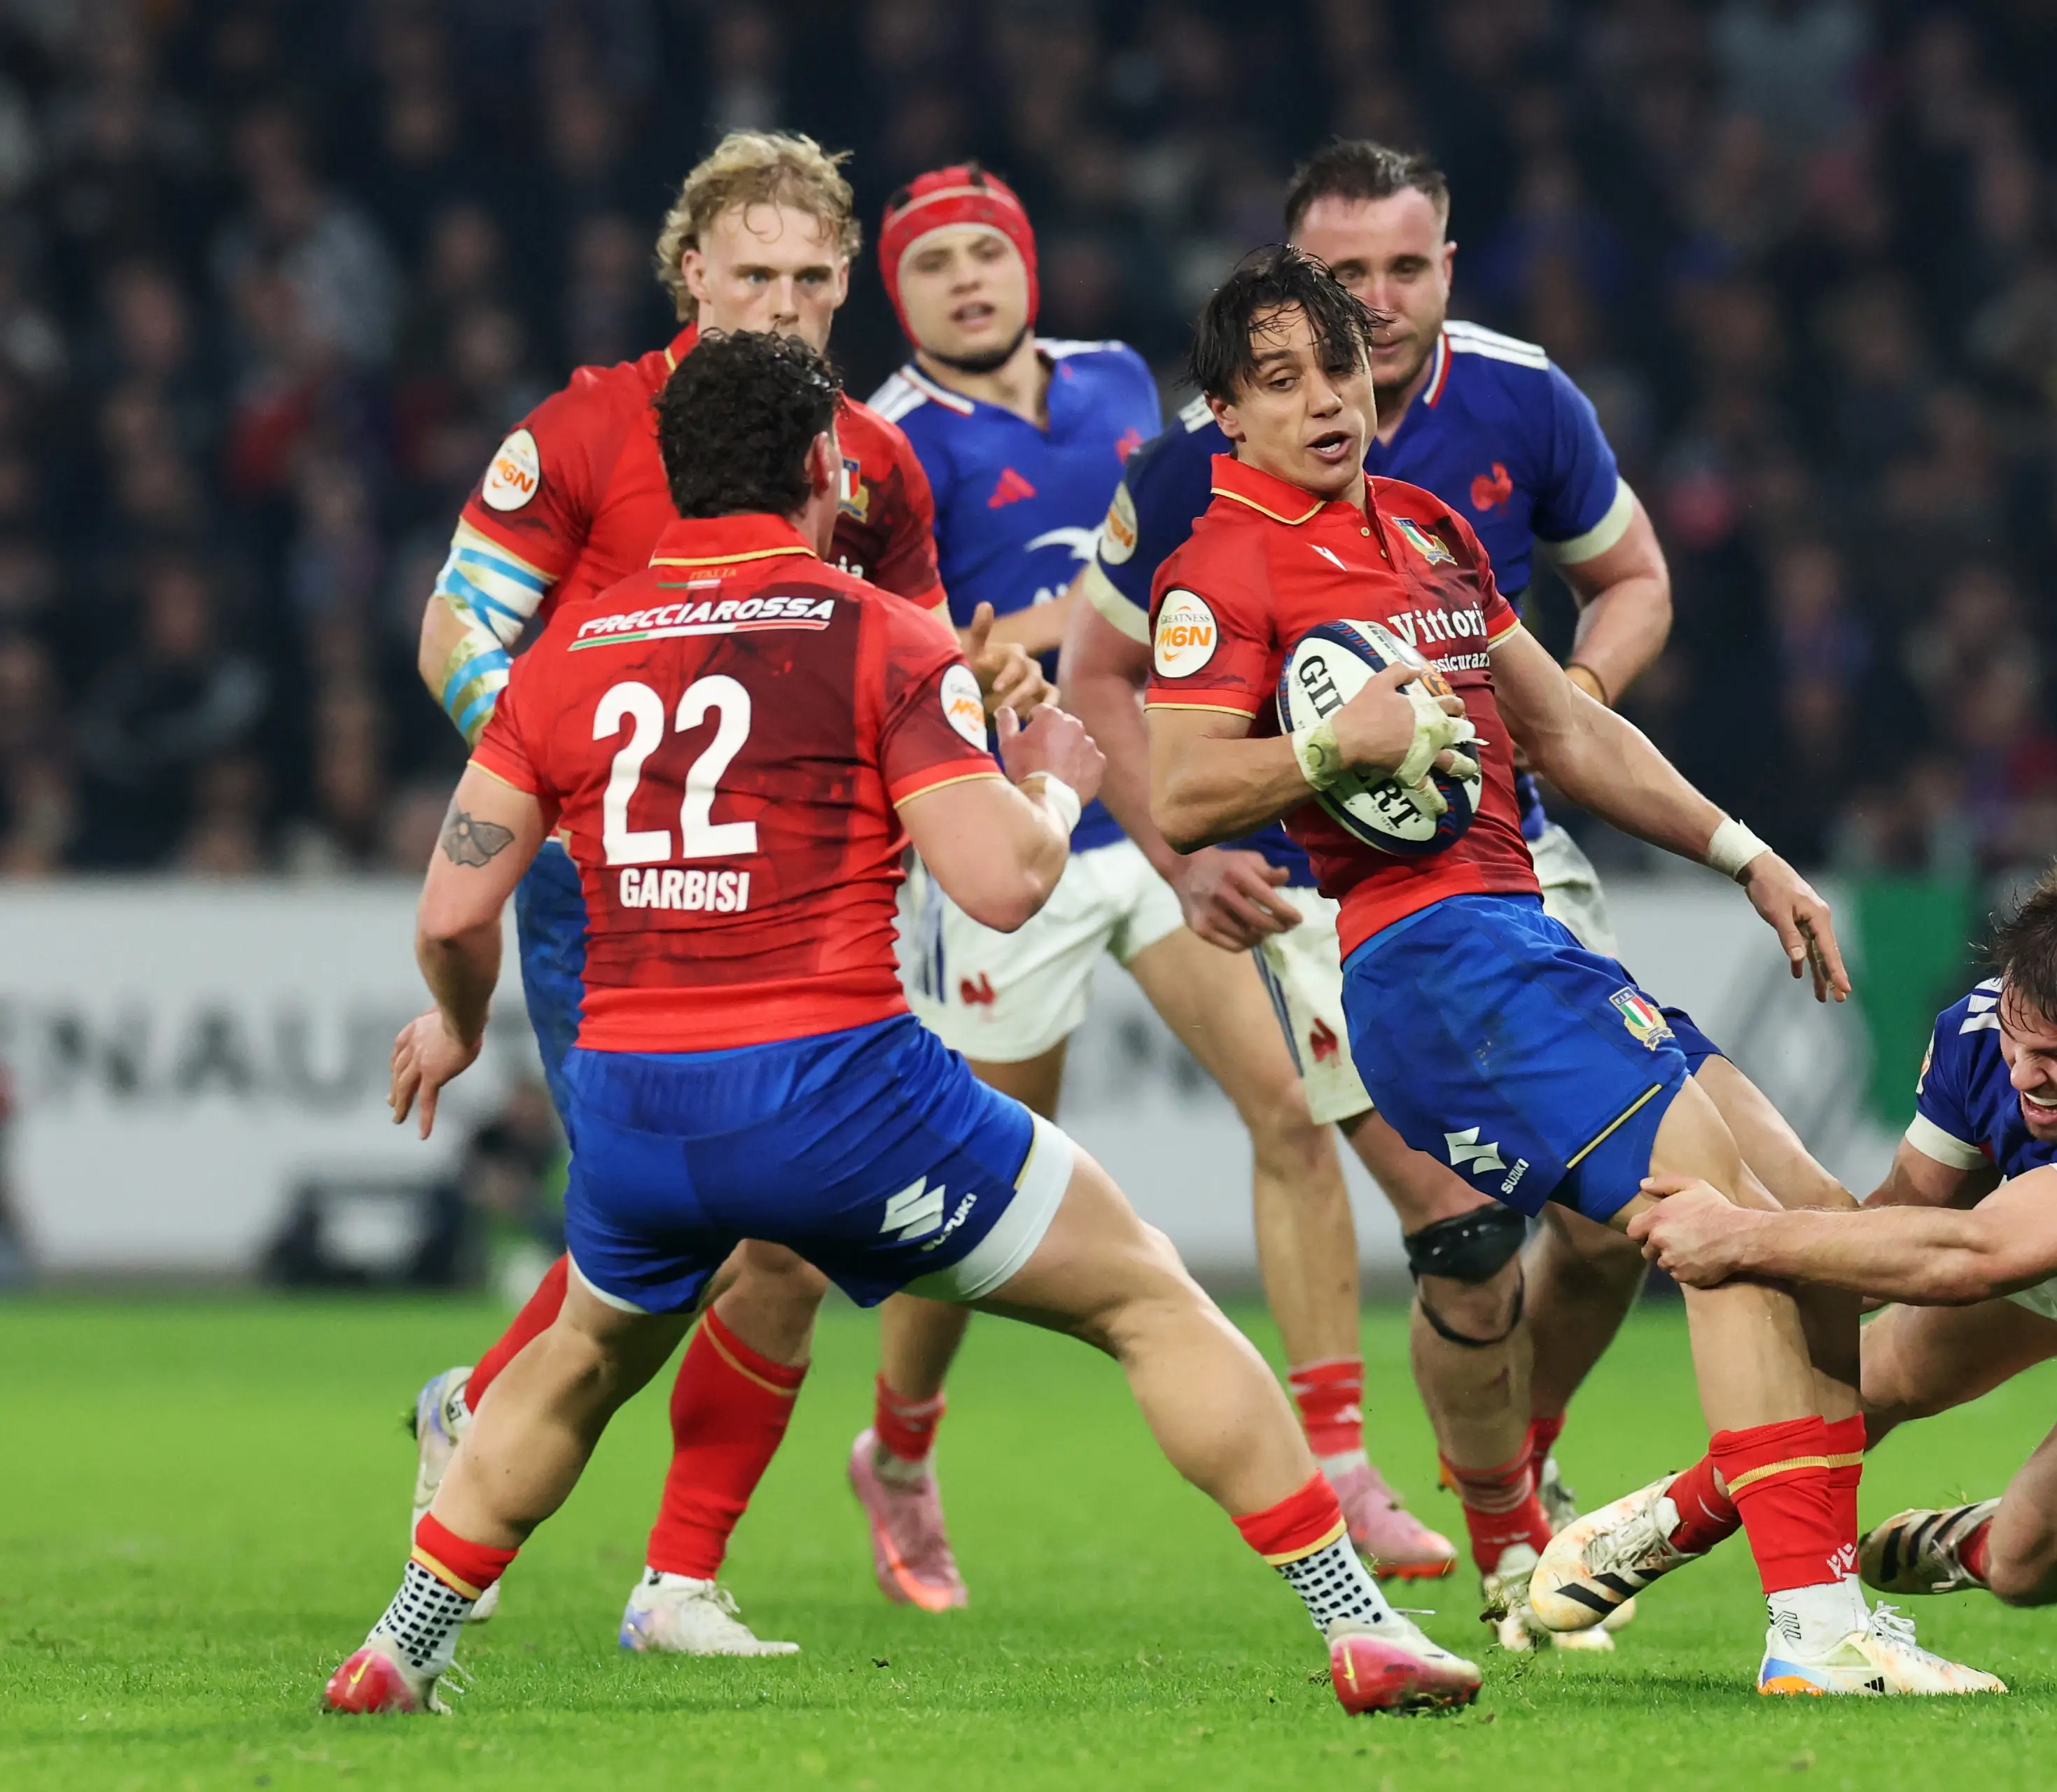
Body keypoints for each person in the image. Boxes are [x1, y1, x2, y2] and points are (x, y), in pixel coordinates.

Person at [321, 327, 1479, 1720]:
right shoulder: (880, 629)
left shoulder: (565, 654)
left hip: (632, 1110)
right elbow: (1000, 886)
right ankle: (1361, 1625)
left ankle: (400, 1643)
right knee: (1144, 1289)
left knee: (575, 1358)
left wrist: (454, 1026)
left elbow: (454, 915)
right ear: (825, 467)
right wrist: (1050, 776)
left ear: (672, 472)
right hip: (840, 1099)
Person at [1141, 246, 2000, 1697]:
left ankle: (1696, 1521)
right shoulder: (1219, 561)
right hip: (1429, 953)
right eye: (1278, 382)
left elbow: (1570, 732)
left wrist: (1747, 853)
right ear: (1226, 412)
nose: (1322, 402)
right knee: (1713, 1215)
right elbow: (1176, 792)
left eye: (1338, 367)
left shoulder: (1423, 532)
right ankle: (1811, 1622)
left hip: (1526, 928)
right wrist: (1322, 753)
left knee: (1815, 1226)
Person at [1062, 141, 1771, 1647]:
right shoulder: (1203, 476)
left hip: (1510, 841)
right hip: (1341, 898)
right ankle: (1517, 1531)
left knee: (1606, 1227)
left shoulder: (1517, 409)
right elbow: (1111, 681)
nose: (1370, 315)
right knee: (1464, 1230)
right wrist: (1194, 849)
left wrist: (1555, 712)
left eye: (1401, 272)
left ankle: (1520, 1456)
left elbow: (1633, 581)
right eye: (1340, 281)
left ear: (1449, 265)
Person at [404, 130, 1045, 1657]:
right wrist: (557, 800)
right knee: (694, 1213)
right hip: (613, 885)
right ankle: (503, 1441)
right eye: (751, 273)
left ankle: (668, 1571)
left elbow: (916, 662)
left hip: (809, 887)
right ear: (690, 272)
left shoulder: (876, 467)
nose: (781, 304)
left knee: (770, 1232)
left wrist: (987, 690)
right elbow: (455, 631)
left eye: (813, 279)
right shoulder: (580, 428)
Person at [848, 164, 1455, 1606]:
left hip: (1160, 809)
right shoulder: (886, 438)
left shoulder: (1126, 384)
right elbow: (884, 626)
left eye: (990, 252)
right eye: (933, 264)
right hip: (1018, 822)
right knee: (979, 1185)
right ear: (901, 294)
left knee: (1294, 1107)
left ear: (1032, 266)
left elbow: (1182, 564)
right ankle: (902, 1446)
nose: (969, 280)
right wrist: (963, 654)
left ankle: (1341, 1459)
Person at [1531, 863, 2057, 1630]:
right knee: (1867, 1378)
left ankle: (1976, 1541)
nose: (2029, 1076)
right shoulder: (1977, 1029)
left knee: (2029, 1570)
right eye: (2020, 1042)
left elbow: (1972, 1259)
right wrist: (1764, 1268)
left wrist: (1743, 1236)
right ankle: (1680, 1517)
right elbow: (1903, 1220)